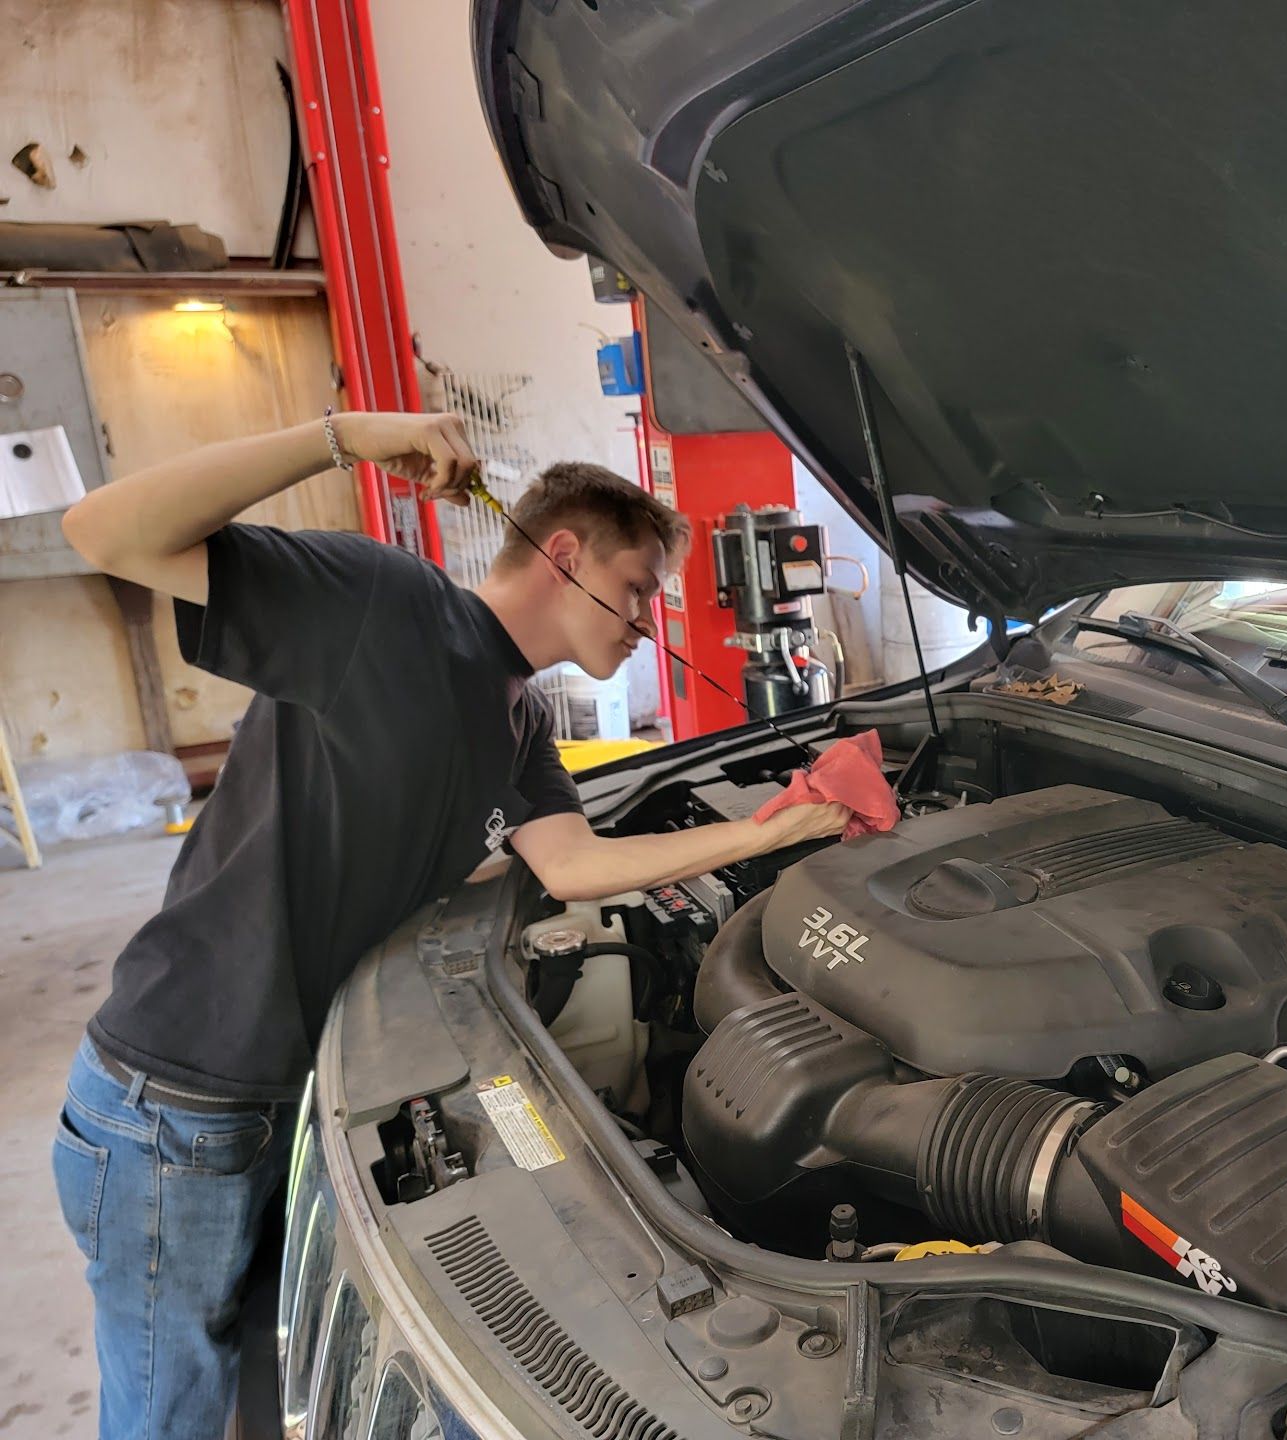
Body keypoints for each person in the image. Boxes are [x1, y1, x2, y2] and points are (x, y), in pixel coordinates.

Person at [49, 411, 849, 1438]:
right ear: (566, 555)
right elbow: (106, 532)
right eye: (642, 586)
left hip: (276, 1093)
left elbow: (573, 863)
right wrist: (340, 436)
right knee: (170, 1412)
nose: (650, 618)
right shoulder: (380, 603)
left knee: (250, 1392)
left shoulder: (516, 717)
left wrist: (772, 832)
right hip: (175, 1094)